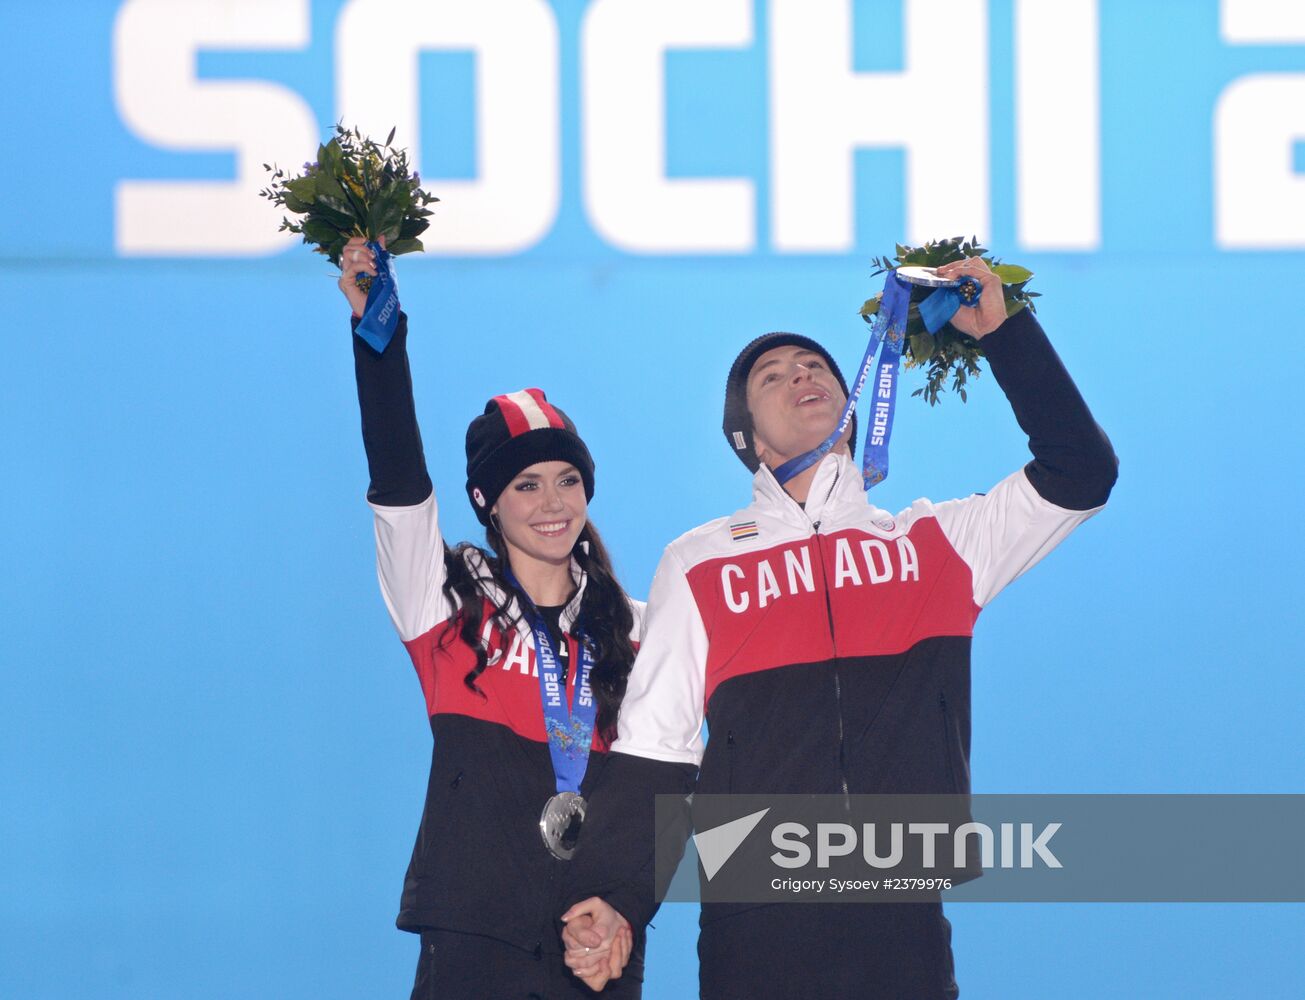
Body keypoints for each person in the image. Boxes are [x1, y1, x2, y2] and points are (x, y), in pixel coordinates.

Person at [560, 256, 1119, 997]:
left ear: (854, 409)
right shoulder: (696, 563)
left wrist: (1003, 333)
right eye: (772, 377)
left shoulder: (937, 544)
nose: (800, 376)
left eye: (813, 365)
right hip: (753, 919)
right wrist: (620, 899)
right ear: (749, 442)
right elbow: (652, 750)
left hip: (902, 914)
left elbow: (1081, 470)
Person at [338, 237, 642, 998]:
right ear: (487, 503)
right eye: (526, 485)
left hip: (594, 942)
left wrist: (626, 907)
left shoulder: (637, 627)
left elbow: (665, 790)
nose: (552, 504)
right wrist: (381, 345)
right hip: (474, 937)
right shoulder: (443, 602)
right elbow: (399, 486)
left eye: (568, 480)